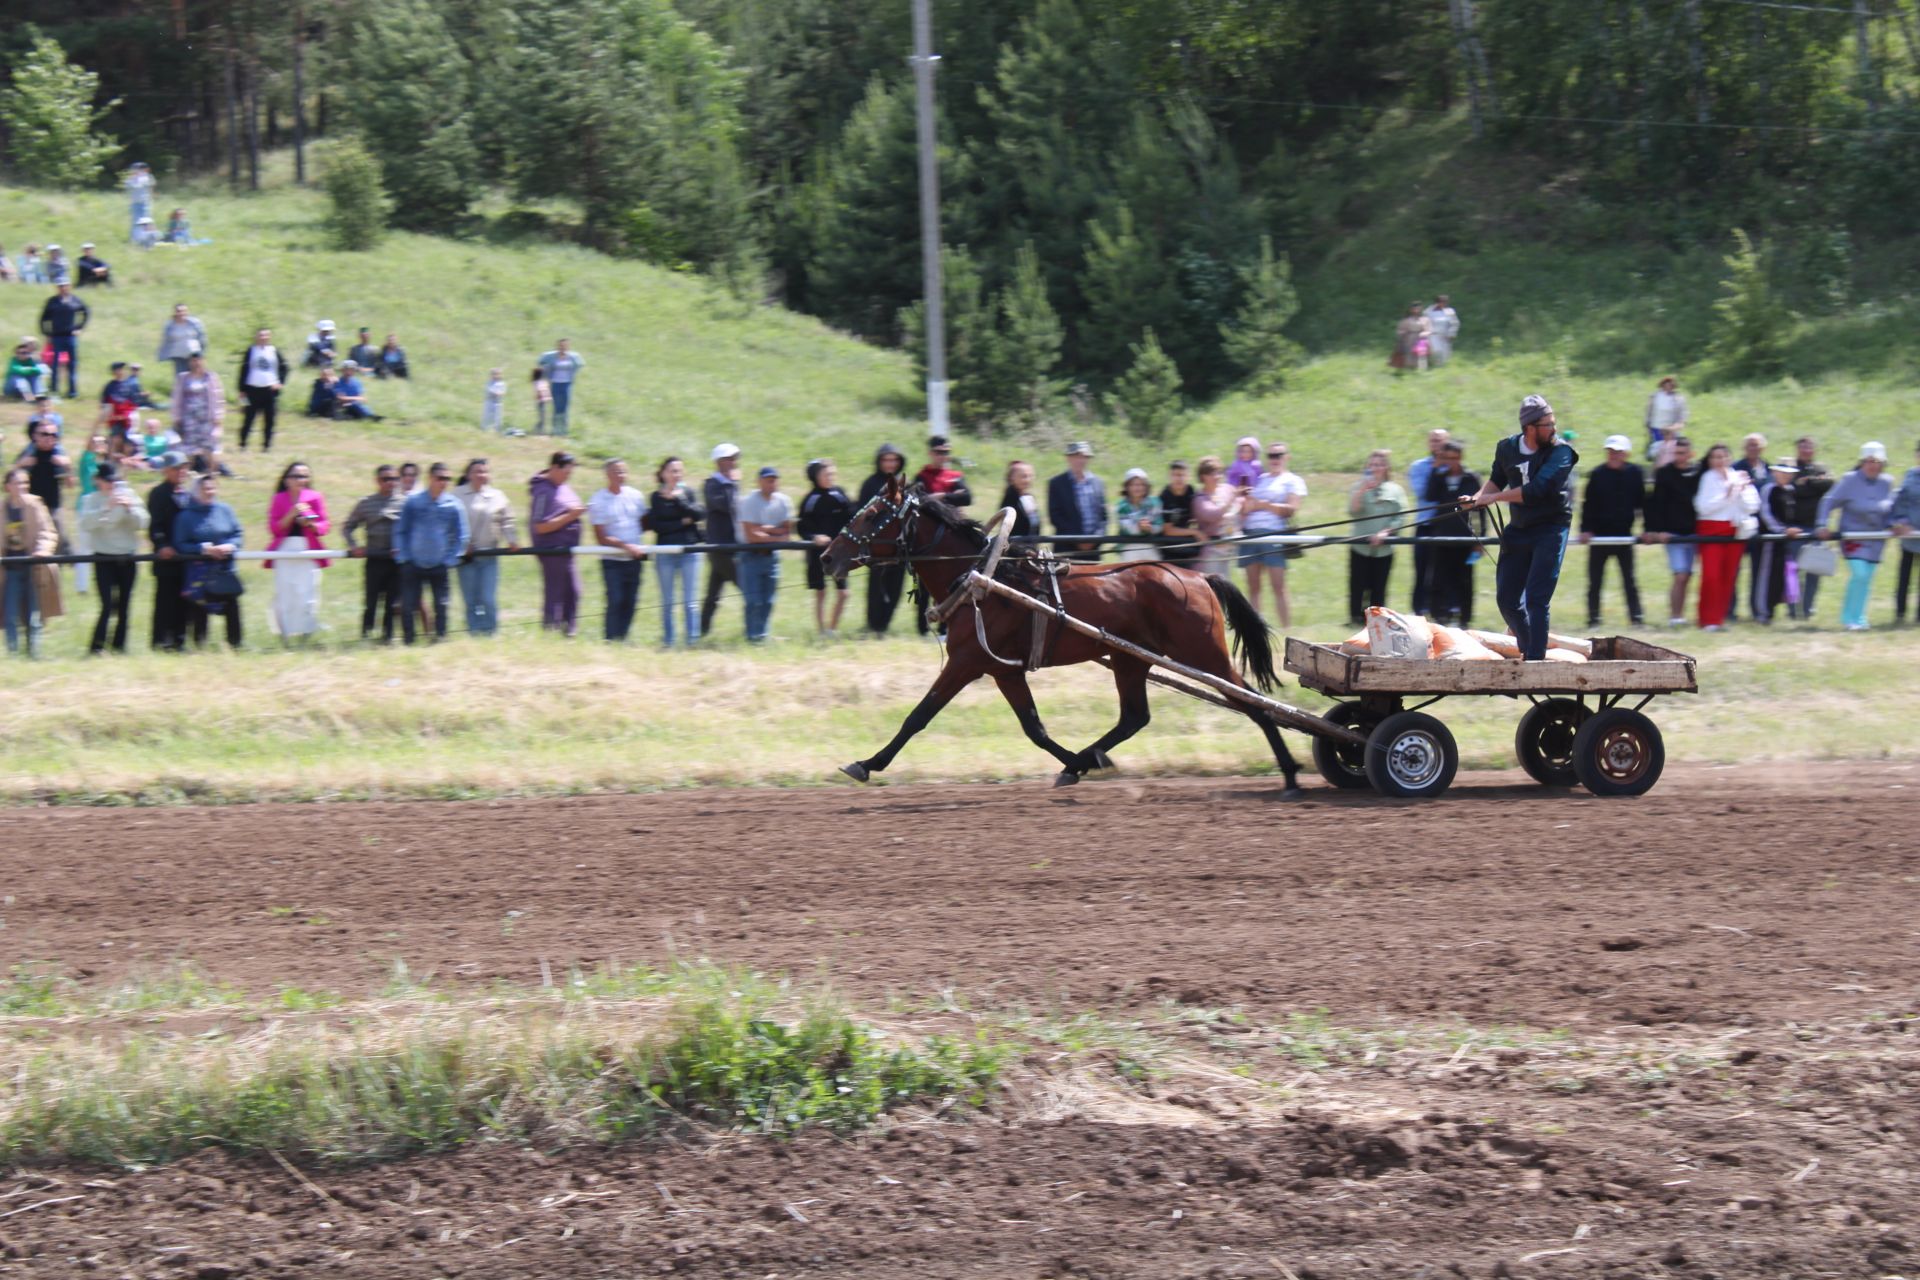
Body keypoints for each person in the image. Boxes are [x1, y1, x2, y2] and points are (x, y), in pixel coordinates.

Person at [1463, 395, 1578, 659]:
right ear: (1530, 428)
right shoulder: (1506, 448)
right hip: (1519, 528)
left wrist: (1493, 498)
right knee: (1506, 599)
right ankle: (1529, 648)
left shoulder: (1561, 453)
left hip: (1550, 529)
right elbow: (1496, 480)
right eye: (1548, 424)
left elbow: (1536, 491)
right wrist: (1476, 498)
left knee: (1537, 598)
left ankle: (1535, 661)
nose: (1554, 429)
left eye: (1553, 422)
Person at [1816, 442, 1905, 632]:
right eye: (1869, 461)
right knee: (1859, 574)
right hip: (1853, 538)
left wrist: (1894, 524)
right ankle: (1849, 618)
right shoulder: (1849, 480)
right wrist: (1822, 524)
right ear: (1862, 462)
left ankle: (1860, 617)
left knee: (1866, 578)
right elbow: (1828, 501)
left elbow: (1890, 509)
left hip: (1876, 540)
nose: (1873, 465)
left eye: (1877, 462)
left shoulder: (1887, 482)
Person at [393, 462, 470, 644]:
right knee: (408, 605)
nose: (444, 482)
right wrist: (403, 557)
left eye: (447, 479)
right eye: (440, 478)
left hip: (439, 563)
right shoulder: (413, 502)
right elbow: (400, 530)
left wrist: (451, 558)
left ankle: (440, 638)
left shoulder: (454, 505)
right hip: (413, 562)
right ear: (430, 478)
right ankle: (409, 641)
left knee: (441, 605)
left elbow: (462, 535)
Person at [1577, 434, 1647, 627]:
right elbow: (1588, 505)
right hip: (1599, 537)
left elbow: (1643, 503)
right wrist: (1585, 530)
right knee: (1595, 581)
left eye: (1618, 452)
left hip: (1624, 536)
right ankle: (1593, 618)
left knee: (1630, 579)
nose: (1614, 455)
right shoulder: (1597, 474)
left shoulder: (1635, 473)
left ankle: (1637, 618)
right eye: (1611, 452)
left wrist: (1647, 529)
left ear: (1626, 454)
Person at [1239, 442, 1308, 627]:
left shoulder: (1293, 480)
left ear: (1287, 457)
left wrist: (1263, 505)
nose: (1274, 459)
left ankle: (1286, 627)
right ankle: (1255, 628)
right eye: (1271, 455)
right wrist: (1245, 500)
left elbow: (1291, 509)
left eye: (1278, 455)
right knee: (1253, 586)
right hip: (1250, 532)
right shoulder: (1260, 478)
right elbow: (1248, 507)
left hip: (1274, 533)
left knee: (1278, 585)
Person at [1692, 443, 1758, 631]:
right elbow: (1703, 507)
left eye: (1723, 457)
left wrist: (1743, 490)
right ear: (1710, 460)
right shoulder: (1708, 478)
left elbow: (1753, 506)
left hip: (1734, 532)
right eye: (1715, 457)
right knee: (1711, 576)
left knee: (1728, 576)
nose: (1720, 461)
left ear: (1729, 458)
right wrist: (1727, 495)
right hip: (1711, 530)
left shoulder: (1738, 476)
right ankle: (1707, 619)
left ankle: (1719, 619)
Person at [174, 474, 244, 650]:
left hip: (224, 570)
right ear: (196, 492)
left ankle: (235, 645)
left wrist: (230, 546)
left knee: (232, 606)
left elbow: (238, 533)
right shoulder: (185, 516)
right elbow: (180, 543)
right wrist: (203, 549)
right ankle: (200, 647)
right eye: (206, 489)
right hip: (199, 572)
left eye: (213, 488)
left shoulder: (225, 510)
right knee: (200, 609)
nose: (210, 492)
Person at [265, 461, 330, 643]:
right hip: (285, 549)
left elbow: (324, 526)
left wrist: (310, 523)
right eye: (296, 476)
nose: (300, 480)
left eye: (304, 476)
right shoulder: (279, 499)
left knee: (308, 593)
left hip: (308, 549)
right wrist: (292, 514)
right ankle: (284, 635)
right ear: (287, 480)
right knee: (285, 593)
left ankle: (306, 635)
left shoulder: (315, 497)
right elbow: (275, 529)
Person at [453, 458, 519, 637]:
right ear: (468, 474)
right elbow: (449, 523)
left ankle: (490, 632)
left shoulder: (498, 496)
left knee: (488, 599)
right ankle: (474, 633)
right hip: (465, 558)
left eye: (484, 471)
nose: (481, 475)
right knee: (471, 600)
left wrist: (512, 540)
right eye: (477, 471)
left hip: (489, 555)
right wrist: (460, 545)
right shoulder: (456, 495)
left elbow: (507, 520)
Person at [1643, 436, 1703, 628]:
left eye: (1683, 453)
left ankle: (1686, 615)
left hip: (1695, 532)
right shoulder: (1664, 474)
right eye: (1676, 453)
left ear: (1691, 454)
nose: (1680, 457)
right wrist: (1655, 531)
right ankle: (1675, 616)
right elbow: (1655, 504)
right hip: (1672, 534)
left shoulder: (1697, 473)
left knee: (1690, 576)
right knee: (1680, 575)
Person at [3, 466, 63, 655]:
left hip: (33, 568)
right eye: (17, 482)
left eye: (25, 482)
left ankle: (34, 655)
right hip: (9, 568)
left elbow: (48, 532)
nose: (22, 486)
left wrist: (42, 550)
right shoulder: (2, 509)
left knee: (33, 616)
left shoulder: (35, 505)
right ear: (7, 486)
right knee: (9, 615)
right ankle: (13, 655)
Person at [589, 458, 650, 643]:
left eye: (623, 471)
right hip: (612, 560)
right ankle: (610, 639)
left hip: (635, 559)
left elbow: (644, 523)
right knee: (615, 600)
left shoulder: (636, 496)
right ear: (607, 475)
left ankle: (622, 638)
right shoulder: (598, 500)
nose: (621, 475)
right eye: (616, 472)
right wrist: (625, 546)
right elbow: (601, 537)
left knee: (631, 602)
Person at [344, 464, 405, 642]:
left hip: (396, 560)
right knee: (371, 601)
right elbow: (348, 527)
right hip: (374, 558)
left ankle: (388, 636)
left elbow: (412, 529)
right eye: (386, 479)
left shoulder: (406, 503)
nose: (390, 483)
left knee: (392, 602)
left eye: (394, 479)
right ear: (377, 481)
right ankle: (366, 635)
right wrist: (354, 546)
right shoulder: (366, 503)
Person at [1422, 441, 1481, 626]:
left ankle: (1464, 618)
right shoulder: (1439, 478)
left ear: (1461, 458)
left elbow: (1481, 510)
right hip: (1441, 535)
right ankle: (1439, 616)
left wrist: (1480, 538)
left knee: (1464, 580)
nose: (1451, 462)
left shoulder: (1471, 478)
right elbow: (1429, 496)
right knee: (1438, 579)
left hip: (1464, 536)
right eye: (1447, 459)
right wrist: (1435, 470)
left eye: (1454, 458)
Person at [649, 456, 704, 646]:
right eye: (673, 471)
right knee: (667, 602)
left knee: (691, 601)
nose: (676, 475)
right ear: (663, 473)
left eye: (679, 471)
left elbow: (698, 514)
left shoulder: (688, 493)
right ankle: (669, 640)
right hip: (665, 553)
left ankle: (692, 641)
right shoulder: (656, 497)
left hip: (689, 551)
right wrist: (682, 522)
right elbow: (657, 526)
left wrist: (679, 499)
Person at [1347, 449, 1406, 626]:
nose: (1376, 468)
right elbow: (1353, 511)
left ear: (1386, 467)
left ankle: (1376, 621)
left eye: (1380, 464)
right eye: (1372, 464)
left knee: (1379, 586)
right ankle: (1355, 619)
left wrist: (1386, 532)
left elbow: (1400, 516)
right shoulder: (1358, 487)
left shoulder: (1395, 490)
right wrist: (1362, 490)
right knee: (1357, 585)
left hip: (1384, 549)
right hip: (1360, 547)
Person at [529, 451, 585, 636]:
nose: (568, 476)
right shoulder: (543, 492)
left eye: (570, 473)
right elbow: (540, 526)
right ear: (554, 468)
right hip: (551, 551)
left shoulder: (562, 487)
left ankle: (568, 631)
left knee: (573, 591)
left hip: (566, 551)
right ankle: (551, 631)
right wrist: (571, 516)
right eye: (566, 472)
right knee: (555, 593)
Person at [736, 465, 792, 643]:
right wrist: (775, 534)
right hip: (751, 556)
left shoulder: (783, 502)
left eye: (774, 480)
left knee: (768, 600)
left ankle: (762, 636)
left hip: (771, 557)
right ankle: (752, 636)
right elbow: (750, 535)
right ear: (759, 482)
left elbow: (787, 532)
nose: (771, 483)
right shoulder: (750, 501)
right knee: (753, 600)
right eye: (768, 480)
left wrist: (765, 531)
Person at [856, 443, 908, 633]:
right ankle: (873, 625)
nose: (890, 463)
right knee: (876, 587)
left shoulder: (903, 484)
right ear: (879, 461)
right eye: (886, 459)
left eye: (894, 459)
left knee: (896, 588)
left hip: (899, 546)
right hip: (877, 545)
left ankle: (884, 626)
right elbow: (861, 513)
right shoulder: (870, 484)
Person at [799, 459, 853, 636]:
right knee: (821, 593)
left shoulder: (839, 494)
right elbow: (801, 527)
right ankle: (821, 631)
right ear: (816, 477)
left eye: (833, 474)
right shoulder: (810, 499)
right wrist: (814, 537)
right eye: (826, 474)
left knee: (844, 593)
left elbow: (852, 516)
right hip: (817, 554)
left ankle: (832, 629)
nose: (831, 477)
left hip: (839, 553)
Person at [1784, 437, 1835, 620]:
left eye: (1809, 447)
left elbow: (1829, 484)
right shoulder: (1789, 467)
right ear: (1797, 448)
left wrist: (1808, 482)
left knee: (1814, 569)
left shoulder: (1821, 468)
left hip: (1816, 527)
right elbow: (1792, 489)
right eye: (1803, 446)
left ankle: (1808, 609)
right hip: (1795, 527)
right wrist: (1814, 485)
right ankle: (1792, 610)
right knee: (1792, 569)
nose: (1806, 450)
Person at [147, 451, 193, 651]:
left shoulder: (188, 495)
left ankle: (180, 640)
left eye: (184, 467)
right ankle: (161, 641)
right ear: (165, 471)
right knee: (165, 600)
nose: (181, 471)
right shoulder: (159, 493)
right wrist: (162, 545)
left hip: (186, 557)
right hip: (167, 558)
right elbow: (155, 525)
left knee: (184, 600)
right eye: (176, 468)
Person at [1753, 459, 1803, 624]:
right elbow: (1766, 514)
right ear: (1774, 473)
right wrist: (1782, 530)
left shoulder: (1790, 490)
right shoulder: (1769, 489)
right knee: (1765, 576)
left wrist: (1791, 529)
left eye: (1788, 473)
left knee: (1778, 577)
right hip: (1769, 540)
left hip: (1783, 541)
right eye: (1782, 472)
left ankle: (1771, 609)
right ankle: (1762, 612)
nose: (1785, 476)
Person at [1408, 428, 1450, 615]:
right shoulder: (1418, 467)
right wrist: (1435, 467)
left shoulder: (1454, 466)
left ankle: (1441, 610)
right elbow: (1423, 494)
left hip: (1447, 527)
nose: (1436, 444)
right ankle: (1419, 610)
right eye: (1433, 440)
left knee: (1443, 571)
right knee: (1421, 570)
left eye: (1440, 440)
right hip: (1425, 525)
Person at [1048, 441, 1107, 563]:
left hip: (1093, 550)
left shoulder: (1098, 483)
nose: (1080, 460)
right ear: (1068, 458)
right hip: (1066, 548)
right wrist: (1076, 539)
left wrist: (1095, 539)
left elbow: (1103, 516)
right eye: (1076, 456)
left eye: (1084, 457)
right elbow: (1055, 516)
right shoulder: (1057, 484)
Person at [236, 328, 289, 453]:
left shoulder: (274, 351)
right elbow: (243, 370)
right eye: (260, 335)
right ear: (256, 337)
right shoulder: (251, 350)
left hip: (269, 391)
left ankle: (266, 446)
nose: (263, 337)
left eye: (265, 335)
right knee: (248, 418)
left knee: (269, 420)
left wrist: (280, 382)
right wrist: (242, 390)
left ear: (269, 337)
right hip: (252, 390)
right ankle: (243, 444)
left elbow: (285, 367)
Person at [170, 353, 225, 472]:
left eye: (198, 360)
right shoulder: (183, 378)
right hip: (189, 419)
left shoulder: (210, 377)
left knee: (210, 447)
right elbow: (176, 398)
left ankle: (212, 473)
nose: (196, 363)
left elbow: (218, 398)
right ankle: (187, 473)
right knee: (188, 449)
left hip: (206, 418)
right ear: (190, 362)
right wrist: (176, 418)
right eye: (193, 361)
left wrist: (218, 418)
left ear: (203, 361)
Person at [1192, 456, 1241, 578]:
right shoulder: (1199, 498)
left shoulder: (1227, 489)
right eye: (1211, 474)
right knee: (1214, 587)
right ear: (1203, 476)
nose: (1216, 477)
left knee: (1226, 586)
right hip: (1211, 551)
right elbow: (1211, 515)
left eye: (1218, 473)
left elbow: (1240, 504)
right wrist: (1230, 502)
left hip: (1228, 548)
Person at [38, 282, 88, 399]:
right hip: (56, 337)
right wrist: (47, 333)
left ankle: (72, 392)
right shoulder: (52, 301)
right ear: (57, 288)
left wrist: (79, 328)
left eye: (65, 286)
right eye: (60, 286)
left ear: (69, 287)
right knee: (55, 364)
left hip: (70, 336)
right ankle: (54, 390)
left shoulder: (75, 300)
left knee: (72, 364)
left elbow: (86, 312)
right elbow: (43, 318)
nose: (63, 288)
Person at [1114, 468, 1164, 562]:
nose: (1138, 488)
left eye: (1141, 484)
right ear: (1127, 487)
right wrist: (1140, 527)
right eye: (1133, 484)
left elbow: (1159, 525)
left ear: (1146, 487)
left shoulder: (1155, 502)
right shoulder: (1122, 507)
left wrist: (1151, 528)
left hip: (1150, 545)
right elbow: (1128, 529)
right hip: (1129, 546)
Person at [537, 339, 584, 436]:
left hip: (567, 384)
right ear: (558, 347)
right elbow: (540, 360)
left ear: (568, 347)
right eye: (561, 346)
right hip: (555, 383)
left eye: (565, 346)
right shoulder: (552, 356)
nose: (562, 348)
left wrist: (573, 373)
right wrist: (546, 370)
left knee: (565, 407)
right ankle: (555, 430)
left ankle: (563, 430)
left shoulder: (572, 357)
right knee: (556, 407)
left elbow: (580, 364)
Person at [1895, 442, 1920, 624]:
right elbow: (1901, 501)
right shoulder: (1910, 476)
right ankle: (1900, 613)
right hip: (1909, 536)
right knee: (1904, 576)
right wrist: (1902, 522)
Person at [1158, 461, 1200, 566]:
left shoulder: (1190, 491)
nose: (1179, 479)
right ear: (1170, 476)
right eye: (1175, 475)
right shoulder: (1165, 497)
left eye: (1182, 475)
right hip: (1169, 549)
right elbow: (1168, 530)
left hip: (1187, 546)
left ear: (1188, 477)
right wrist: (1195, 532)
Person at [154, 303, 209, 377]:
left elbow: (202, 337)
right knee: (181, 378)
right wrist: (162, 354)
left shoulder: (194, 323)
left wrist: (202, 353)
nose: (181, 313)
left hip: (194, 355)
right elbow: (166, 341)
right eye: (179, 311)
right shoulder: (170, 325)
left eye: (184, 311)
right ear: (175, 312)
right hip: (179, 356)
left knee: (197, 376)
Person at [1644, 376, 1688, 464]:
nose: (1668, 387)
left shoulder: (1678, 399)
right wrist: (1647, 425)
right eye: (1666, 384)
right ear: (1662, 385)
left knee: (1670, 451)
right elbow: (1649, 411)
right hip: (1656, 427)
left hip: (1671, 430)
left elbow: (1682, 416)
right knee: (1658, 451)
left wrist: (1676, 427)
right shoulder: (1655, 397)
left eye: (1670, 385)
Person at [998, 460, 1040, 538]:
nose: (1028, 480)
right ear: (1012, 478)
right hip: (1016, 546)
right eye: (1024, 476)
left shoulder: (1030, 497)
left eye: (1030, 476)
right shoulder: (1010, 499)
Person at [1390, 302, 1430, 372]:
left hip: (1421, 340)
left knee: (1421, 355)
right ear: (1411, 310)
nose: (1417, 310)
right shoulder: (1406, 320)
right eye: (1415, 309)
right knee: (1409, 354)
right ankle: (1409, 369)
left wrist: (1424, 333)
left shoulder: (1425, 319)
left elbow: (1429, 330)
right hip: (1409, 339)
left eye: (1418, 309)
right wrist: (1402, 334)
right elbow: (1399, 330)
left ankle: (1421, 370)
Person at [1423, 295, 1459, 366]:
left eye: (1445, 302)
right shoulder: (1428, 312)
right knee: (1436, 350)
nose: (1444, 304)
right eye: (1442, 302)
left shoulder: (1450, 311)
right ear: (1437, 302)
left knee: (1445, 352)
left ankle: (1443, 366)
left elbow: (1455, 323)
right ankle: (1436, 364)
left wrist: (1451, 334)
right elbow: (1425, 322)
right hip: (1433, 334)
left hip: (1445, 334)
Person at [125, 162, 155, 238]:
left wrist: (133, 179)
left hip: (143, 202)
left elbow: (137, 186)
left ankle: (146, 237)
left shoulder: (146, 177)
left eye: (136, 169)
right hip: (135, 202)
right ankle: (135, 237)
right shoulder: (132, 178)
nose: (133, 171)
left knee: (145, 220)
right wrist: (132, 179)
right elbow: (127, 185)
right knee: (135, 220)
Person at [481, 368, 506, 434]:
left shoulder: (502, 383)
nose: (496, 376)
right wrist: (496, 392)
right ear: (491, 375)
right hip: (489, 401)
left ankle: (498, 429)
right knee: (487, 415)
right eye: (494, 374)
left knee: (498, 416)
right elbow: (489, 390)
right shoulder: (489, 382)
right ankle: (484, 428)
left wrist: (501, 393)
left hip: (498, 402)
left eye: (498, 374)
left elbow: (503, 391)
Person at [530, 366, 552, 435]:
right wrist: (546, 397)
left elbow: (546, 390)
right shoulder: (538, 382)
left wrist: (548, 397)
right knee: (542, 417)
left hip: (542, 401)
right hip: (541, 402)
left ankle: (540, 430)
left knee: (543, 417)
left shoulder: (541, 382)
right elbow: (540, 391)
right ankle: (538, 430)